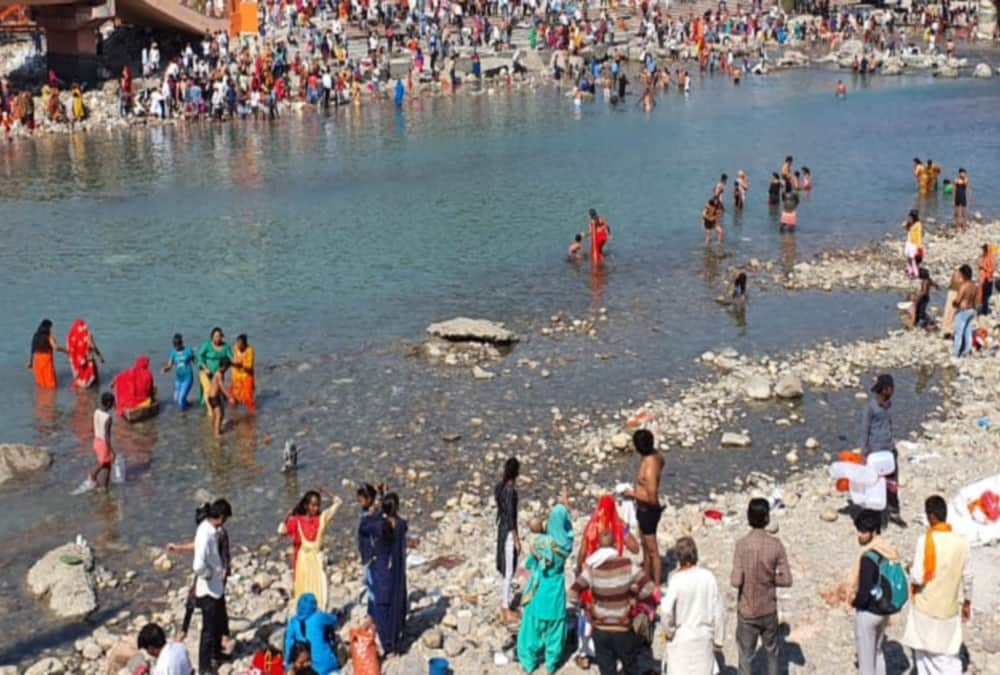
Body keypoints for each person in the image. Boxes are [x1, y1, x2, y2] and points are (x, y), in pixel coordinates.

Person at [901, 496, 972, 675]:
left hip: (926, 607)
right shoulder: (962, 542)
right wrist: (967, 601)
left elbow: (918, 577)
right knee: (947, 652)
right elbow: (968, 576)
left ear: (931, 516)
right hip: (949, 608)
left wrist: (909, 568)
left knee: (925, 652)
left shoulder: (925, 541)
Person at [569, 529, 653, 675]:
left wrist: (586, 607)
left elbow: (572, 593)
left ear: (598, 547)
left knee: (607, 670)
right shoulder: (627, 565)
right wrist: (635, 599)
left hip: (600, 628)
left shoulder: (592, 569)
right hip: (622, 627)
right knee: (630, 668)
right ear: (615, 544)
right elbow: (649, 587)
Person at [573, 495, 640, 669]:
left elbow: (582, 553)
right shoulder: (618, 526)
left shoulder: (592, 526)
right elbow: (635, 548)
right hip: (615, 576)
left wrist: (579, 572)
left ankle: (585, 654)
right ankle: (616, 652)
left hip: (593, 577)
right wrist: (626, 530)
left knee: (587, 615)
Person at [730, 498, 792, 675]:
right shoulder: (776, 545)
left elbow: (736, 581)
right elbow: (787, 580)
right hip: (768, 609)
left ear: (748, 517)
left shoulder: (741, 545)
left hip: (748, 611)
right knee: (772, 653)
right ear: (767, 518)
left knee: (745, 656)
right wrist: (770, 578)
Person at [516, 491, 574, 674]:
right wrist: (564, 505)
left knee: (530, 630)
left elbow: (530, 565)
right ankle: (551, 664)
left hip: (539, 590)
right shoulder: (565, 546)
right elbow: (565, 525)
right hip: (556, 592)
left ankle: (528, 662)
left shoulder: (538, 544)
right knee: (555, 630)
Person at [661, 536, 726, 674]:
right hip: (703, 638)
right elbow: (718, 610)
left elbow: (666, 611)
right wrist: (718, 639)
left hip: (681, 639)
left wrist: (669, 632)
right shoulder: (708, 577)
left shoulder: (676, 580)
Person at [851, 509, 899, 675]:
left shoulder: (868, 557)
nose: (859, 535)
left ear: (873, 532)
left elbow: (864, 591)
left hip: (869, 612)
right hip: (884, 610)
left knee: (865, 662)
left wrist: (855, 602)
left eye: (863, 531)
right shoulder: (887, 550)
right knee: (878, 653)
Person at [359, 492, 408, 656]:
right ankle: (397, 632)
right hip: (397, 568)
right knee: (396, 600)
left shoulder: (379, 526)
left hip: (382, 567)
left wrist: (372, 512)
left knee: (381, 604)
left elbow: (363, 527)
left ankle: (388, 644)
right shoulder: (401, 524)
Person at [280, 489, 344, 611]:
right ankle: (305, 613)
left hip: (317, 558)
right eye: (313, 505)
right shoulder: (297, 521)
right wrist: (288, 515)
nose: (316, 508)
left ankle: (319, 612)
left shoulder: (322, 518)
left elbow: (338, 502)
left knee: (322, 588)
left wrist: (325, 491)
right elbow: (281, 531)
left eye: (318, 505)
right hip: (303, 561)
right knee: (304, 588)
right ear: (306, 506)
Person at [193, 499, 232, 674]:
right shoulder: (205, 535)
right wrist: (208, 574)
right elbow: (197, 565)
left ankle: (217, 653)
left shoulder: (211, 530)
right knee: (208, 630)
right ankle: (204, 666)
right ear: (221, 517)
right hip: (208, 589)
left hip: (216, 586)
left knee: (217, 623)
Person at [859, 374, 903, 526]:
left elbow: (889, 426)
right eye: (892, 388)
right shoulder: (870, 408)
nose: (893, 391)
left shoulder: (889, 405)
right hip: (875, 453)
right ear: (885, 389)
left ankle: (894, 512)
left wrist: (893, 447)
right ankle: (873, 515)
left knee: (892, 483)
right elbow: (865, 431)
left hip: (889, 450)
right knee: (874, 485)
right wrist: (864, 453)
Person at [622, 429, 664, 588]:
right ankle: (646, 578)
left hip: (649, 511)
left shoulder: (650, 466)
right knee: (645, 547)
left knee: (652, 551)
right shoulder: (655, 456)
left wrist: (632, 494)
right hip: (643, 510)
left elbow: (652, 498)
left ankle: (657, 585)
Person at [283, 592, 340, 674]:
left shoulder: (293, 621)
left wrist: (288, 663)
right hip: (324, 664)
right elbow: (334, 620)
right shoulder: (318, 617)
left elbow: (289, 643)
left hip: (305, 665)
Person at [495, 457, 521, 623]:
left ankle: (505, 604)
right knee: (509, 570)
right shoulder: (511, 491)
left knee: (506, 567)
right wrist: (517, 538)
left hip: (501, 529)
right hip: (508, 533)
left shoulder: (499, 487)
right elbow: (512, 517)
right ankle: (505, 607)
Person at [197, 328, 233, 411]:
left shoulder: (226, 347)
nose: (218, 338)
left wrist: (238, 363)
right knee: (207, 392)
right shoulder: (206, 345)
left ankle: (216, 411)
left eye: (219, 336)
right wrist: (205, 368)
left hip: (219, 373)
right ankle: (209, 413)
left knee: (216, 394)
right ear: (212, 337)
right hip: (206, 373)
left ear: (222, 337)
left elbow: (231, 359)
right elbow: (199, 356)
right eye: (216, 336)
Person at [86, 393, 116, 492]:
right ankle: (93, 475)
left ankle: (104, 486)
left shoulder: (96, 411)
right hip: (103, 443)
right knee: (105, 464)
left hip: (96, 441)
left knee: (107, 465)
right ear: (108, 403)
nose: (113, 405)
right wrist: (111, 450)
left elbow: (93, 427)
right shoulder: (108, 418)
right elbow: (107, 435)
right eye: (112, 403)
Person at [27, 319, 65, 389]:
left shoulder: (36, 335)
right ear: (48, 328)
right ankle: (51, 396)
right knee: (51, 385)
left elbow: (33, 349)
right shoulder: (48, 336)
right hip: (46, 360)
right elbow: (55, 347)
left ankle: (41, 395)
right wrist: (65, 350)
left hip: (37, 360)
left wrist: (30, 362)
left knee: (41, 384)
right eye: (50, 327)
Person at [66, 318, 103, 389]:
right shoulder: (87, 335)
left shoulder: (71, 336)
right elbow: (93, 346)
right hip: (88, 360)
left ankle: (80, 392)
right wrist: (100, 357)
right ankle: (94, 393)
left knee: (81, 378)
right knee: (93, 380)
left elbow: (69, 350)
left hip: (78, 362)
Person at [162, 334, 196, 411]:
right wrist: (165, 369)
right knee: (176, 399)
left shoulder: (188, 351)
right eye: (175, 344)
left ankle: (183, 415)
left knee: (180, 400)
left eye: (178, 343)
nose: (176, 346)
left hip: (188, 378)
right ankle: (189, 406)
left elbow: (195, 361)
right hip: (178, 379)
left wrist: (200, 365)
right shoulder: (173, 353)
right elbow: (169, 365)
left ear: (181, 342)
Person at [953, 265, 977, 357]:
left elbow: (958, 300)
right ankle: (967, 351)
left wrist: (954, 303)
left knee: (958, 333)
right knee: (968, 332)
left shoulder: (964, 286)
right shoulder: (974, 286)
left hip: (963, 310)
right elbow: (976, 300)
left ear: (963, 274)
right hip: (971, 310)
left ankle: (956, 353)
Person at [207, 358, 235, 436]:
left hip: (216, 397)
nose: (227, 370)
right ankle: (216, 434)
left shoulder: (221, 373)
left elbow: (219, 388)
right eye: (227, 368)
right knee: (219, 415)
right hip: (213, 398)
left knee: (221, 414)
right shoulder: (218, 374)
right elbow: (221, 386)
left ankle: (216, 429)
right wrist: (229, 397)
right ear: (223, 366)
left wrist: (224, 397)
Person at [231, 334, 256, 413]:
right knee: (232, 396)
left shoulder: (250, 351)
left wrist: (240, 365)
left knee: (248, 397)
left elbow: (249, 367)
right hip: (236, 376)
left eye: (240, 344)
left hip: (246, 375)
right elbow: (233, 360)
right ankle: (234, 413)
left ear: (245, 344)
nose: (238, 345)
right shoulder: (235, 348)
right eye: (237, 343)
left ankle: (251, 412)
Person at [903, 210, 923, 278]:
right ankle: (910, 271)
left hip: (914, 244)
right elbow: (904, 227)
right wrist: (907, 223)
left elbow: (919, 236)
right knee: (908, 258)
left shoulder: (918, 225)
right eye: (909, 217)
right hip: (909, 243)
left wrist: (919, 246)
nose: (909, 218)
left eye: (910, 217)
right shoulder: (910, 224)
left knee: (913, 259)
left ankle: (915, 273)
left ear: (914, 218)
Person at [977, 244, 995, 316]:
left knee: (986, 296)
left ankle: (985, 311)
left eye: (984, 249)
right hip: (983, 279)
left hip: (988, 279)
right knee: (982, 295)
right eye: (983, 249)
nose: (983, 251)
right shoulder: (983, 257)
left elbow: (992, 269)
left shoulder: (991, 258)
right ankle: (983, 309)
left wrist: (983, 267)